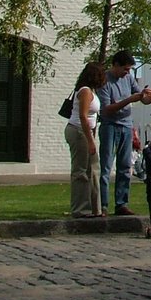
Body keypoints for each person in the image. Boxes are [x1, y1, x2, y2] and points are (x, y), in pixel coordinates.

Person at [98, 50, 151, 217]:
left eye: (129, 70)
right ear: (116, 65)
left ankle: (121, 203)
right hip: (110, 126)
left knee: (125, 166)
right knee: (105, 166)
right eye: (125, 69)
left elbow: (140, 97)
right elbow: (106, 110)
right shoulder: (105, 81)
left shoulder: (128, 78)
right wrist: (129, 100)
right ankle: (102, 205)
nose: (127, 72)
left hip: (126, 125)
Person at [63, 61, 106, 218]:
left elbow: (93, 116)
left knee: (94, 169)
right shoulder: (85, 91)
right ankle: (80, 208)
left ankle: (96, 208)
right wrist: (90, 140)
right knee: (81, 170)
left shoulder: (92, 91)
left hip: (87, 132)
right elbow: (83, 116)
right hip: (78, 131)